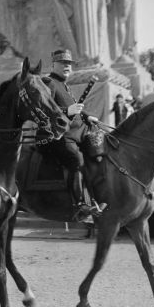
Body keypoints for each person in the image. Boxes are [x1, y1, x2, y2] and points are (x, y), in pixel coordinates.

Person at [37, 49, 105, 221]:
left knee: (99, 149)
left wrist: (87, 115)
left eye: (69, 64)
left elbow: (76, 108)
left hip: (76, 132)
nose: (67, 66)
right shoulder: (49, 82)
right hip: (56, 136)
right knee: (77, 159)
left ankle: (99, 197)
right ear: (54, 65)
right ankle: (80, 205)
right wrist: (68, 110)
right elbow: (43, 111)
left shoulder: (64, 85)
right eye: (63, 63)